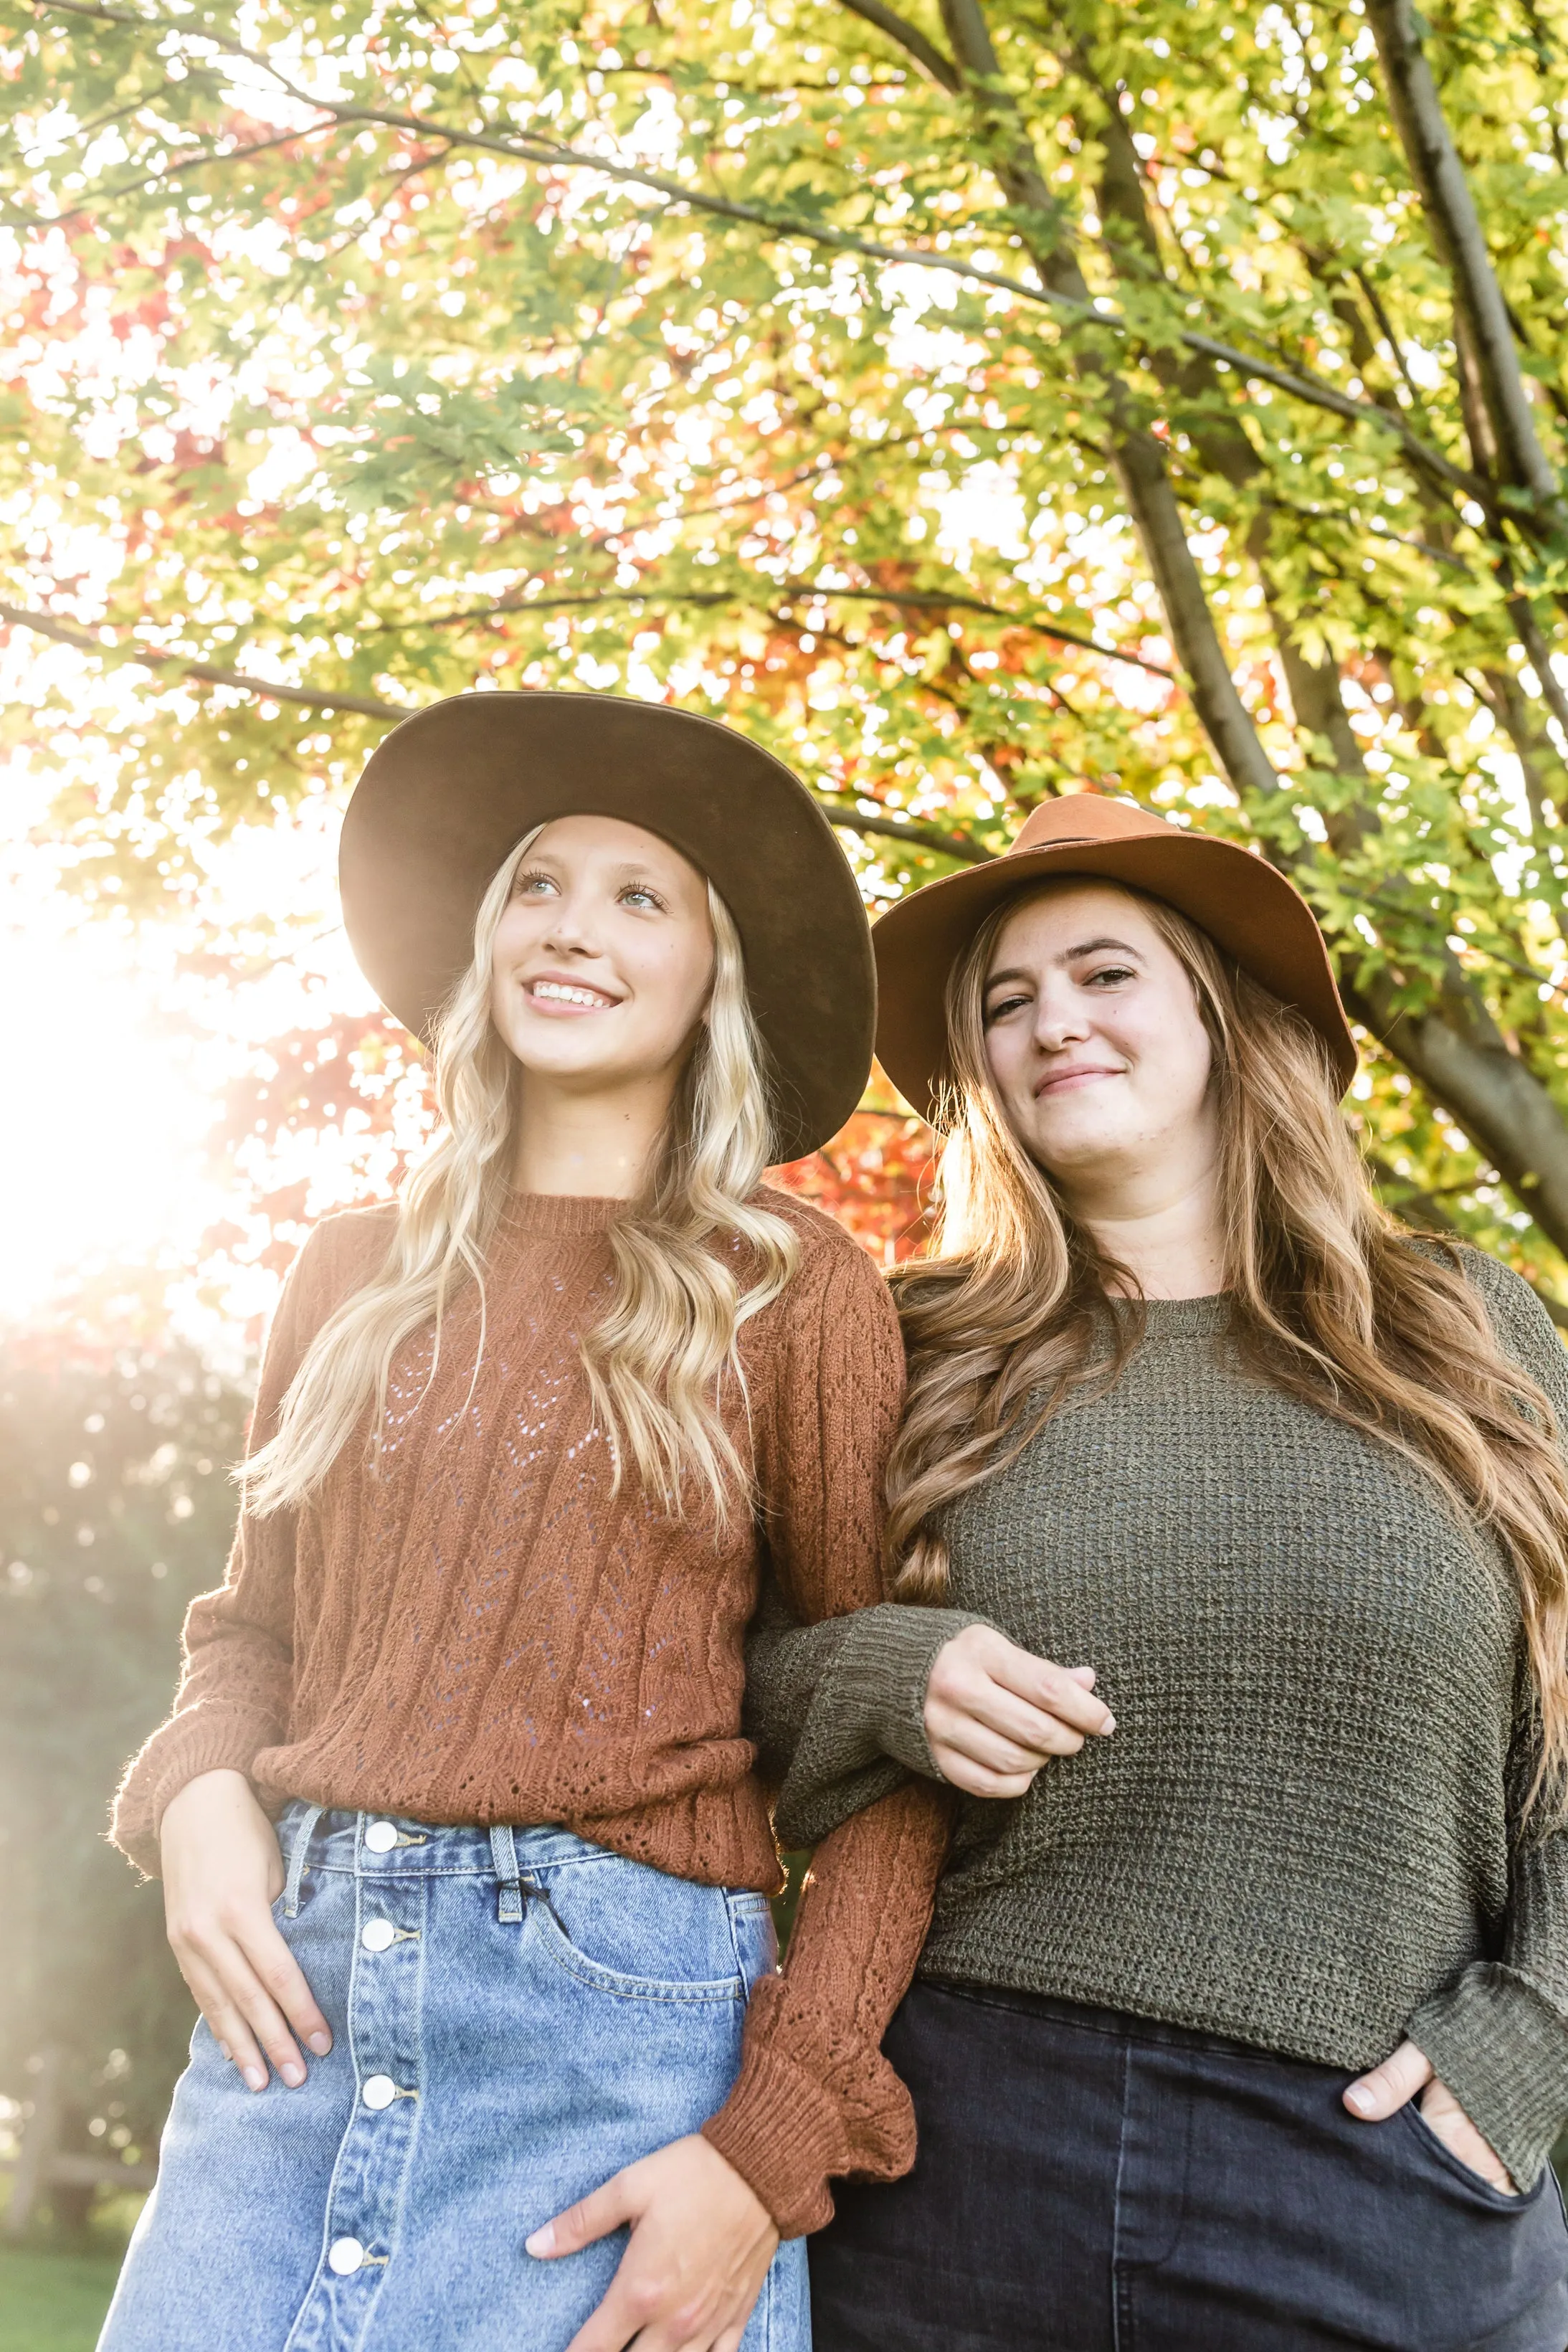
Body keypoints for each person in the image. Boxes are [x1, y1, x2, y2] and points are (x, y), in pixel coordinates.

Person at [99, 691, 946, 2352]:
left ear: (714, 976)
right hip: (293, 2013)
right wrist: (198, 1787)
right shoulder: (351, 1268)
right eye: (539, 884)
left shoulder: (793, 1288)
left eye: (642, 896)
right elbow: (251, 1628)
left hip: (619, 2046)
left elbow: (880, 1745)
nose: (572, 927)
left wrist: (766, 2142)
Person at [745, 792, 1568, 2351]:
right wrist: (878, 1672)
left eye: (1105, 971)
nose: (1053, 1017)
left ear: (1218, 1011)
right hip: (955, 2159)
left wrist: (1528, 2037)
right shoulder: (898, 1350)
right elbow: (702, 1679)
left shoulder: (1465, 1328)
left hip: (1381, 2167)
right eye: (1006, 998)